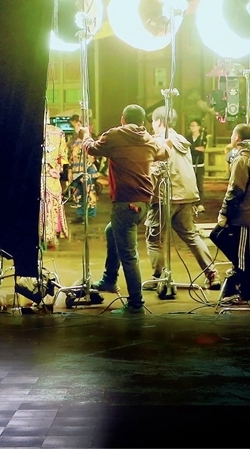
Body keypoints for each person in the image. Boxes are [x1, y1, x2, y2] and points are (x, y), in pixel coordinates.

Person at [79, 104, 169, 314]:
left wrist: (85, 135)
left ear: (122, 119)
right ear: (142, 122)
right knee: (112, 231)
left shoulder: (115, 135)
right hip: (144, 202)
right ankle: (109, 280)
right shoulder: (149, 139)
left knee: (129, 255)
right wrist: (166, 144)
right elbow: (163, 153)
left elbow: (92, 149)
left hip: (125, 203)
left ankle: (136, 303)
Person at [145, 107, 221, 292]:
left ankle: (159, 277)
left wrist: (145, 193)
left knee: (154, 239)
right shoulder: (182, 141)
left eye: (153, 121)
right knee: (191, 235)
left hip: (164, 197)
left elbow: (154, 171)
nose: (152, 125)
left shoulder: (158, 141)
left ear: (159, 121)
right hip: (186, 196)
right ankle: (212, 274)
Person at [209, 124, 250, 305]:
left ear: (237, 138)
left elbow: (235, 189)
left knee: (241, 255)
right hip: (245, 211)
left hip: (242, 214)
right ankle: (242, 276)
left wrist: (224, 212)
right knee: (219, 237)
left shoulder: (242, 160)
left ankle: (245, 291)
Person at [185, 118, 207, 212]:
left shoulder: (203, 137)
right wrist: (195, 148)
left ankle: (200, 204)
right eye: (191, 126)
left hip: (200, 164)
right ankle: (191, 204)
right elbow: (187, 148)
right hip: (190, 164)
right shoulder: (188, 137)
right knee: (190, 185)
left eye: (194, 126)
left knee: (199, 185)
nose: (192, 128)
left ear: (199, 127)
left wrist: (192, 148)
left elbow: (202, 149)